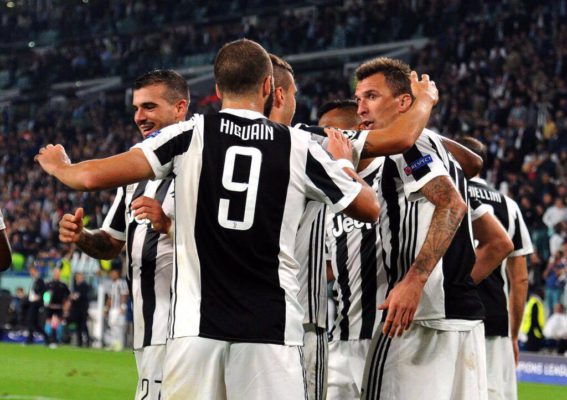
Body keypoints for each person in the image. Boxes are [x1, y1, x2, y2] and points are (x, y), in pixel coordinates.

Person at [37, 39, 412, 399]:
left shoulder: (187, 135)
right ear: (267, 87)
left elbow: (89, 178)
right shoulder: (297, 145)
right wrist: (343, 163)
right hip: (270, 330)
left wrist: (60, 166)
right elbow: (369, 207)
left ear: (217, 89)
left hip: (195, 331)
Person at [268, 54, 439, 400]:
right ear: (280, 94)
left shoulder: (208, 140)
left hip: (235, 321)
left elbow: (466, 162)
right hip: (302, 325)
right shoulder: (302, 142)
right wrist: (424, 100)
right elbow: (405, 139)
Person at [356, 57, 488, 400]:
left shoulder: (409, 147)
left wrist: (414, 280)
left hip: (417, 317)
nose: (360, 109)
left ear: (403, 102)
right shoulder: (435, 144)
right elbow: (474, 163)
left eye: (371, 96)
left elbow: (452, 204)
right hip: (462, 318)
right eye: (358, 99)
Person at [58, 69, 188, 399]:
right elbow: (111, 244)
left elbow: (232, 237)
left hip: (188, 330)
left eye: (149, 107)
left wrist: (169, 225)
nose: (139, 117)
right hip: (149, 328)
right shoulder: (135, 173)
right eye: (136, 108)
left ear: (180, 108)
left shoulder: (203, 163)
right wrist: (82, 236)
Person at [459, 136, 534, 400]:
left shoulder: (444, 193)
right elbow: (520, 279)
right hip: (495, 318)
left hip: (452, 314)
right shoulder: (509, 205)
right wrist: (513, 335)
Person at [44, 267, 70, 348]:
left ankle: (55, 340)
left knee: (56, 324)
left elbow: (67, 297)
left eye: (58, 273)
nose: (57, 275)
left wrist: (66, 306)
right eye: (55, 273)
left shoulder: (63, 285)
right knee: (48, 324)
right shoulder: (48, 284)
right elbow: (45, 295)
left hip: (59, 307)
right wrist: (46, 303)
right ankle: (47, 340)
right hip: (50, 307)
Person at [106, 268, 129, 351]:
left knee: (118, 326)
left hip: (118, 308)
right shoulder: (111, 284)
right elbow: (109, 298)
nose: (112, 275)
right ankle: (113, 343)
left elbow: (124, 295)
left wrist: (123, 306)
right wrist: (106, 308)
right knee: (112, 326)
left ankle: (120, 344)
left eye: (114, 274)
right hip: (112, 309)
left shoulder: (121, 283)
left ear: (118, 274)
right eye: (111, 274)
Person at [69, 272, 91, 347]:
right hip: (76, 309)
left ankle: (87, 341)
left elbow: (81, 296)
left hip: (83, 309)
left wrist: (76, 297)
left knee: (83, 325)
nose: (78, 278)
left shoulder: (85, 286)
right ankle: (80, 341)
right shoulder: (75, 286)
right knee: (78, 325)